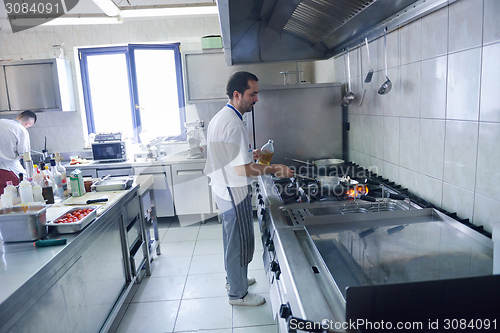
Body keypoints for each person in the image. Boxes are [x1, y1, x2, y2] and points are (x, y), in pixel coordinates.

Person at [204, 71, 294, 306]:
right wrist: (275, 168)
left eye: (257, 93)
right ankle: (238, 294)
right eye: (252, 94)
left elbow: (229, 156)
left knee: (230, 239)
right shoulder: (233, 123)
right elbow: (242, 170)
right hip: (234, 191)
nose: (256, 99)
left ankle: (233, 280)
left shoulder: (223, 116)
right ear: (237, 94)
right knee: (240, 242)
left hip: (223, 189)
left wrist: (248, 154)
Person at [0, 110, 37, 195]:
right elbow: (25, 156)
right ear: (28, 124)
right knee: (19, 197)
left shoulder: (1, 121)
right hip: (9, 170)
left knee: (3, 202)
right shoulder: (21, 130)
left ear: (18, 116)